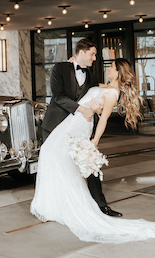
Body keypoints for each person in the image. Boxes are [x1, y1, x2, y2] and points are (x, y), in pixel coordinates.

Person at [31, 57, 155, 243]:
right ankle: (56, 203)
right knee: (54, 156)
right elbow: (85, 87)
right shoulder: (105, 86)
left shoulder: (113, 93)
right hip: (71, 122)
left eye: (112, 67)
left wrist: (94, 142)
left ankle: (66, 205)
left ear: (118, 72)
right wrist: (70, 64)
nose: (108, 69)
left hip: (80, 127)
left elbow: (104, 119)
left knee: (53, 154)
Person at [40, 39, 120, 217]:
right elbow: (58, 96)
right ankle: (55, 207)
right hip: (55, 125)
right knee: (56, 167)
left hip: (78, 128)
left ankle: (100, 205)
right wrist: (81, 109)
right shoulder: (60, 68)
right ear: (82, 52)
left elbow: (94, 98)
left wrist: (98, 106)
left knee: (88, 162)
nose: (94, 58)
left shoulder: (90, 75)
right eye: (92, 54)